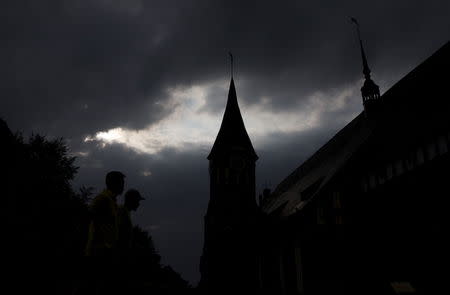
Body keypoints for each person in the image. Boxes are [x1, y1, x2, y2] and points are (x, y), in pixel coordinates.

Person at [85, 171, 125, 258]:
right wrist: (102, 244)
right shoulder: (103, 199)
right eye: (122, 183)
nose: (123, 186)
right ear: (114, 183)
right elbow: (90, 217)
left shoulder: (111, 201)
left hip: (105, 251)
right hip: (98, 252)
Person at [117, 189, 145, 256]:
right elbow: (120, 233)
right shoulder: (122, 212)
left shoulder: (125, 211)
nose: (138, 203)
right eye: (137, 201)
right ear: (132, 200)